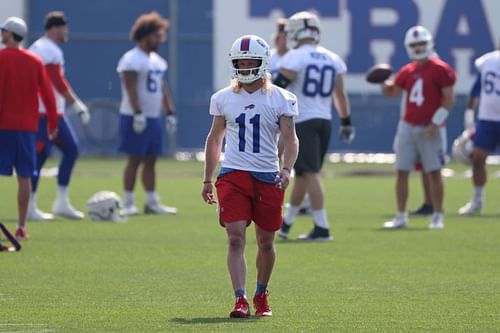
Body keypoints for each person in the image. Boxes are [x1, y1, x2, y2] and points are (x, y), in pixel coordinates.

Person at [201, 35, 298, 318]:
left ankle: (261, 293)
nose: (244, 67)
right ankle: (240, 298)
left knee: (266, 242)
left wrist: (286, 168)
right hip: (233, 174)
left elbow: (291, 140)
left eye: (249, 62)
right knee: (235, 238)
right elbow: (214, 139)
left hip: (267, 175)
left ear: (262, 63)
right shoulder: (223, 98)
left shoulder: (281, 97)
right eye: (239, 62)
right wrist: (207, 178)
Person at [274, 11, 354, 241]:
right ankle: (286, 224)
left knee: (310, 173)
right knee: (303, 174)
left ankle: (322, 227)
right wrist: (346, 121)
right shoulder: (332, 58)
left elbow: (279, 86)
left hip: (304, 120)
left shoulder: (295, 56)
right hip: (324, 120)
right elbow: (340, 94)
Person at [381, 26, 456, 229]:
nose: (418, 48)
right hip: (407, 125)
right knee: (402, 171)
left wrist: (436, 122)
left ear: (429, 44)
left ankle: (438, 215)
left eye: (421, 43)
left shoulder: (441, 68)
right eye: (414, 45)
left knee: (434, 172)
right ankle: (401, 216)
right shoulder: (408, 70)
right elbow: (394, 92)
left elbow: (449, 100)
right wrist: (383, 84)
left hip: (429, 127)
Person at [27, 11, 90, 220]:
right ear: (55, 28)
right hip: (46, 112)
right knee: (60, 151)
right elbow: (57, 81)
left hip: (44, 110)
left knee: (47, 154)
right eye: (64, 27)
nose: (66, 32)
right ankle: (34, 204)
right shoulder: (49, 49)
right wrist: (77, 103)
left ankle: (53, 202)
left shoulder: (38, 47)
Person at [0, 17, 58, 239]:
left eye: (4, 31)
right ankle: (21, 226)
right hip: (26, 128)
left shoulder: (1, 58)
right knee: (24, 175)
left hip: (3, 126)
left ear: (9, 34)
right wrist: (52, 122)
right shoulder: (35, 61)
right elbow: (48, 95)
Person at [117, 11, 177, 216]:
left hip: (153, 117)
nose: (160, 40)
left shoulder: (157, 61)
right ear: (145, 35)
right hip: (135, 116)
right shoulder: (131, 58)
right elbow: (130, 87)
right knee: (134, 159)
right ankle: (128, 201)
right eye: (156, 35)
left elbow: (161, 87)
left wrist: (169, 111)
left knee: (151, 159)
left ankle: (151, 201)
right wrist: (138, 113)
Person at [458, 46, 500, 215]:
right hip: (487, 119)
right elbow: (476, 90)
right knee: (477, 159)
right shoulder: (488, 61)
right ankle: (477, 200)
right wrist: (469, 116)